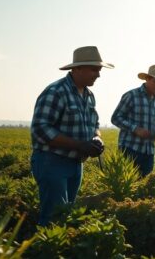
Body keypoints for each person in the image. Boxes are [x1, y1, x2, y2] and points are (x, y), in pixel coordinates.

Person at [30, 46, 112, 225]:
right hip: (52, 161)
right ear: (77, 68)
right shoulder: (56, 91)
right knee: (54, 217)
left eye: (99, 70)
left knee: (66, 215)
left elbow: (94, 125)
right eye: (94, 69)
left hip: (75, 164)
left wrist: (97, 138)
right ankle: (45, 252)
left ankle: (61, 250)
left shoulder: (89, 96)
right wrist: (79, 145)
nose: (98, 75)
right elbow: (40, 129)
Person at [111, 65, 155, 176]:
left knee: (144, 188)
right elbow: (116, 118)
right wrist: (135, 129)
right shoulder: (131, 95)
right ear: (147, 78)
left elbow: (154, 124)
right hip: (130, 149)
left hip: (149, 151)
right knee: (127, 187)